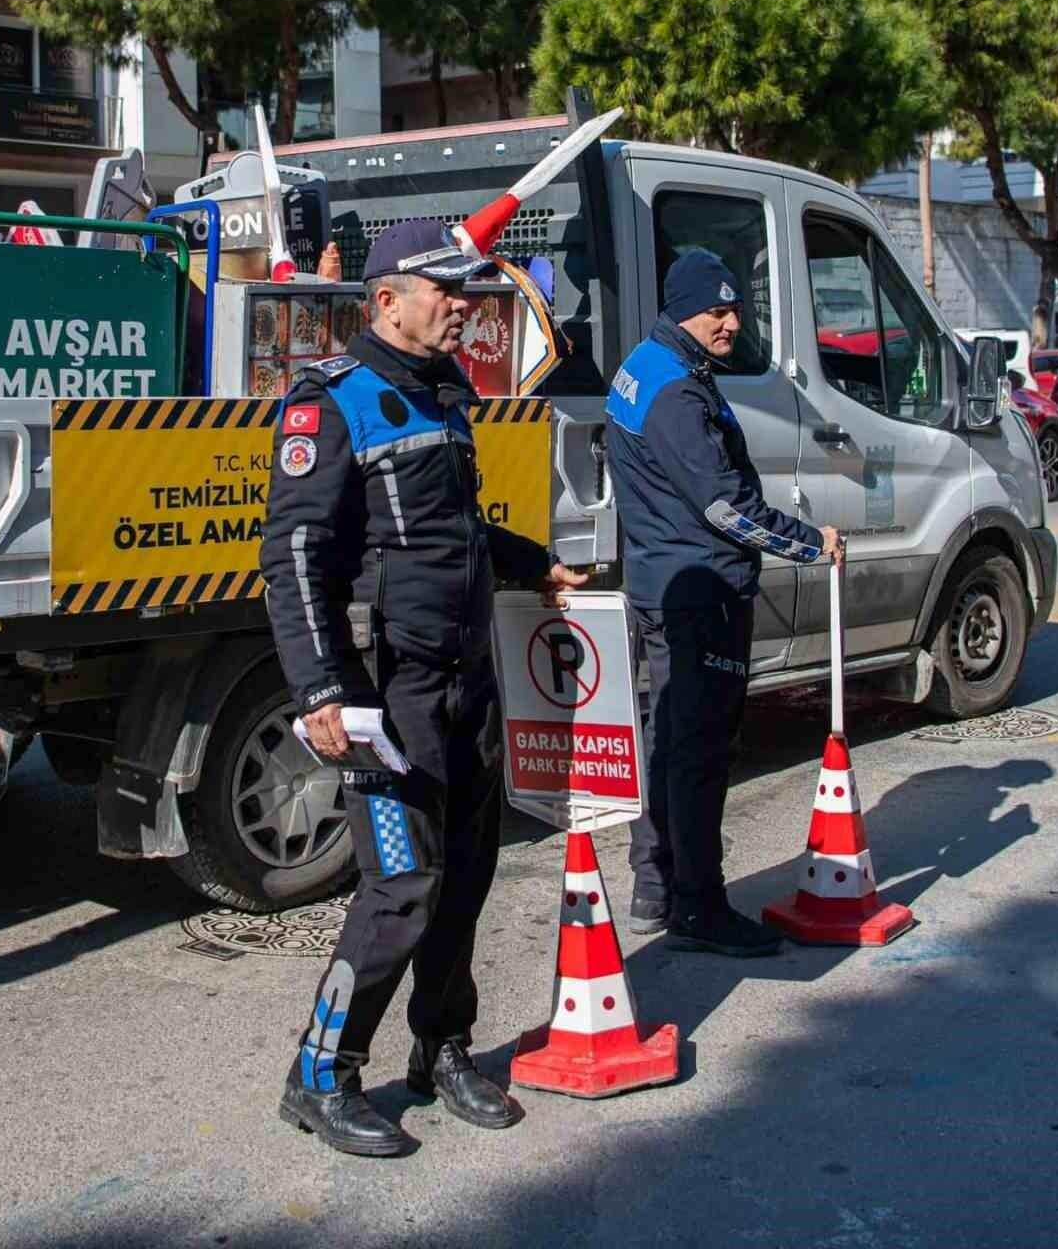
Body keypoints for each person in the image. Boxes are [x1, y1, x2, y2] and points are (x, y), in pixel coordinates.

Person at [261, 218, 584, 1158]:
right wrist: (321, 691)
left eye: (464, 288)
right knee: (402, 886)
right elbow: (295, 559)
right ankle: (320, 1073)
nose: (461, 303)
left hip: (467, 682)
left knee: (466, 879)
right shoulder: (331, 403)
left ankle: (440, 1049)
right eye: (443, 289)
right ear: (387, 299)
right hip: (385, 693)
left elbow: (456, 529)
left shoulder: (444, 391)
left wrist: (536, 565)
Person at [605, 249, 843, 957]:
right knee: (699, 753)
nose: (732, 322)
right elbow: (725, 507)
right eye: (718, 310)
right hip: (698, 590)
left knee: (667, 744)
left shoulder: (644, 366)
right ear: (684, 309)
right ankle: (698, 904)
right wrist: (810, 543)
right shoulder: (677, 391)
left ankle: (656, 882)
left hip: (660, 581)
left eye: (736, 308)